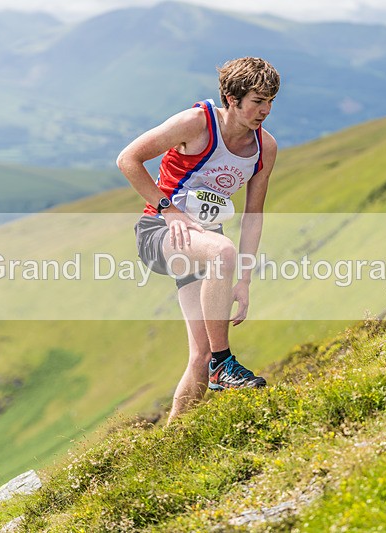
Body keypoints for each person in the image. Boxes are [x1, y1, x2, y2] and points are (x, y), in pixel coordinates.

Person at [116, 57, 280, 423]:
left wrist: (244, 280)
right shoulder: (197, 123)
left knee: (200, 357)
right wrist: (168, 209)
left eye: (270, 101)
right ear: (231, 98)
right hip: (160, 230)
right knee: (222, 250)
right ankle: (225, 364)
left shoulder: (264, 148)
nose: (266, 110)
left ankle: (170, 439)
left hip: (204, 244)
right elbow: (128, 159)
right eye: (258, 101)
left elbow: (253, 215)